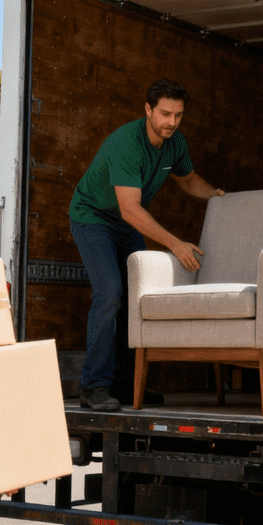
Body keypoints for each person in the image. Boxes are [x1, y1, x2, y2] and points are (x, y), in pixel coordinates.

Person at [69, 78, 225, 411]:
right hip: (93, 217)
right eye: (165, 114)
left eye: (178, 115)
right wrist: (175, 244)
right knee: (109, 292)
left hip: (125, 224)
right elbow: (129, 208)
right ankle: (93, 386)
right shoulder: (126, 143)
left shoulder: (175, 142)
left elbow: (188, 180)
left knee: (136, 298)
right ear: (148, 110)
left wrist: (212, 193)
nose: (171, 122)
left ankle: (124, 385)